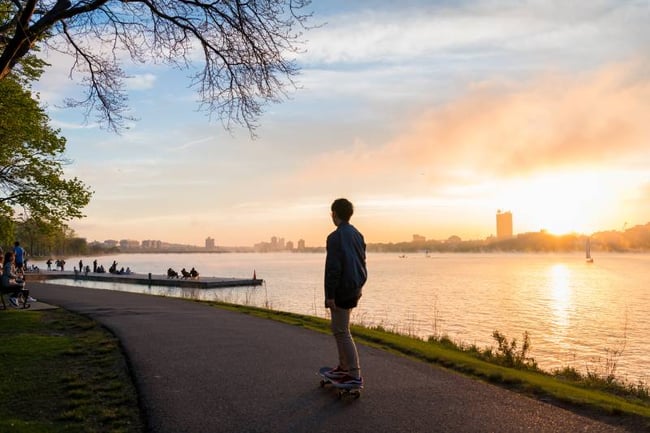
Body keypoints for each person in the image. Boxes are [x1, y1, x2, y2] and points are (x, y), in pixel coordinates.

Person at [323, 198, 367, 386]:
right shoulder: (357, 234)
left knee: (342, 331)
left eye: (332, 213)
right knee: (339, 329)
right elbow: (361, 261)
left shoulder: (335, 237)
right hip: (354, 287)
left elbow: (333, 268)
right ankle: (343, 368)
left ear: (335, 214)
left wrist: (330, 295)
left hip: (341, 290)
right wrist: (360, 286)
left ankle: (354, 374)